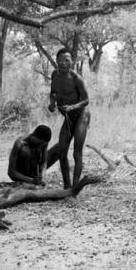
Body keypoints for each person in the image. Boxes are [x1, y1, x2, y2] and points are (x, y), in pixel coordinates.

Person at [49, 48, 91, 189]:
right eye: (61, 60)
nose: (64, 63)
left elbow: (86, 100)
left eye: (67, 60)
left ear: (72, 62)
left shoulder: (76, 79)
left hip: (81, 116)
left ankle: (75, 187)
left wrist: (72, 107)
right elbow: (53, 92)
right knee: (62, 152)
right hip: (68, 118)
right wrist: (52, 103)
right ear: (57, 61)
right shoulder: (54, 75)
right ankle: (67, 188)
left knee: (76, 152)